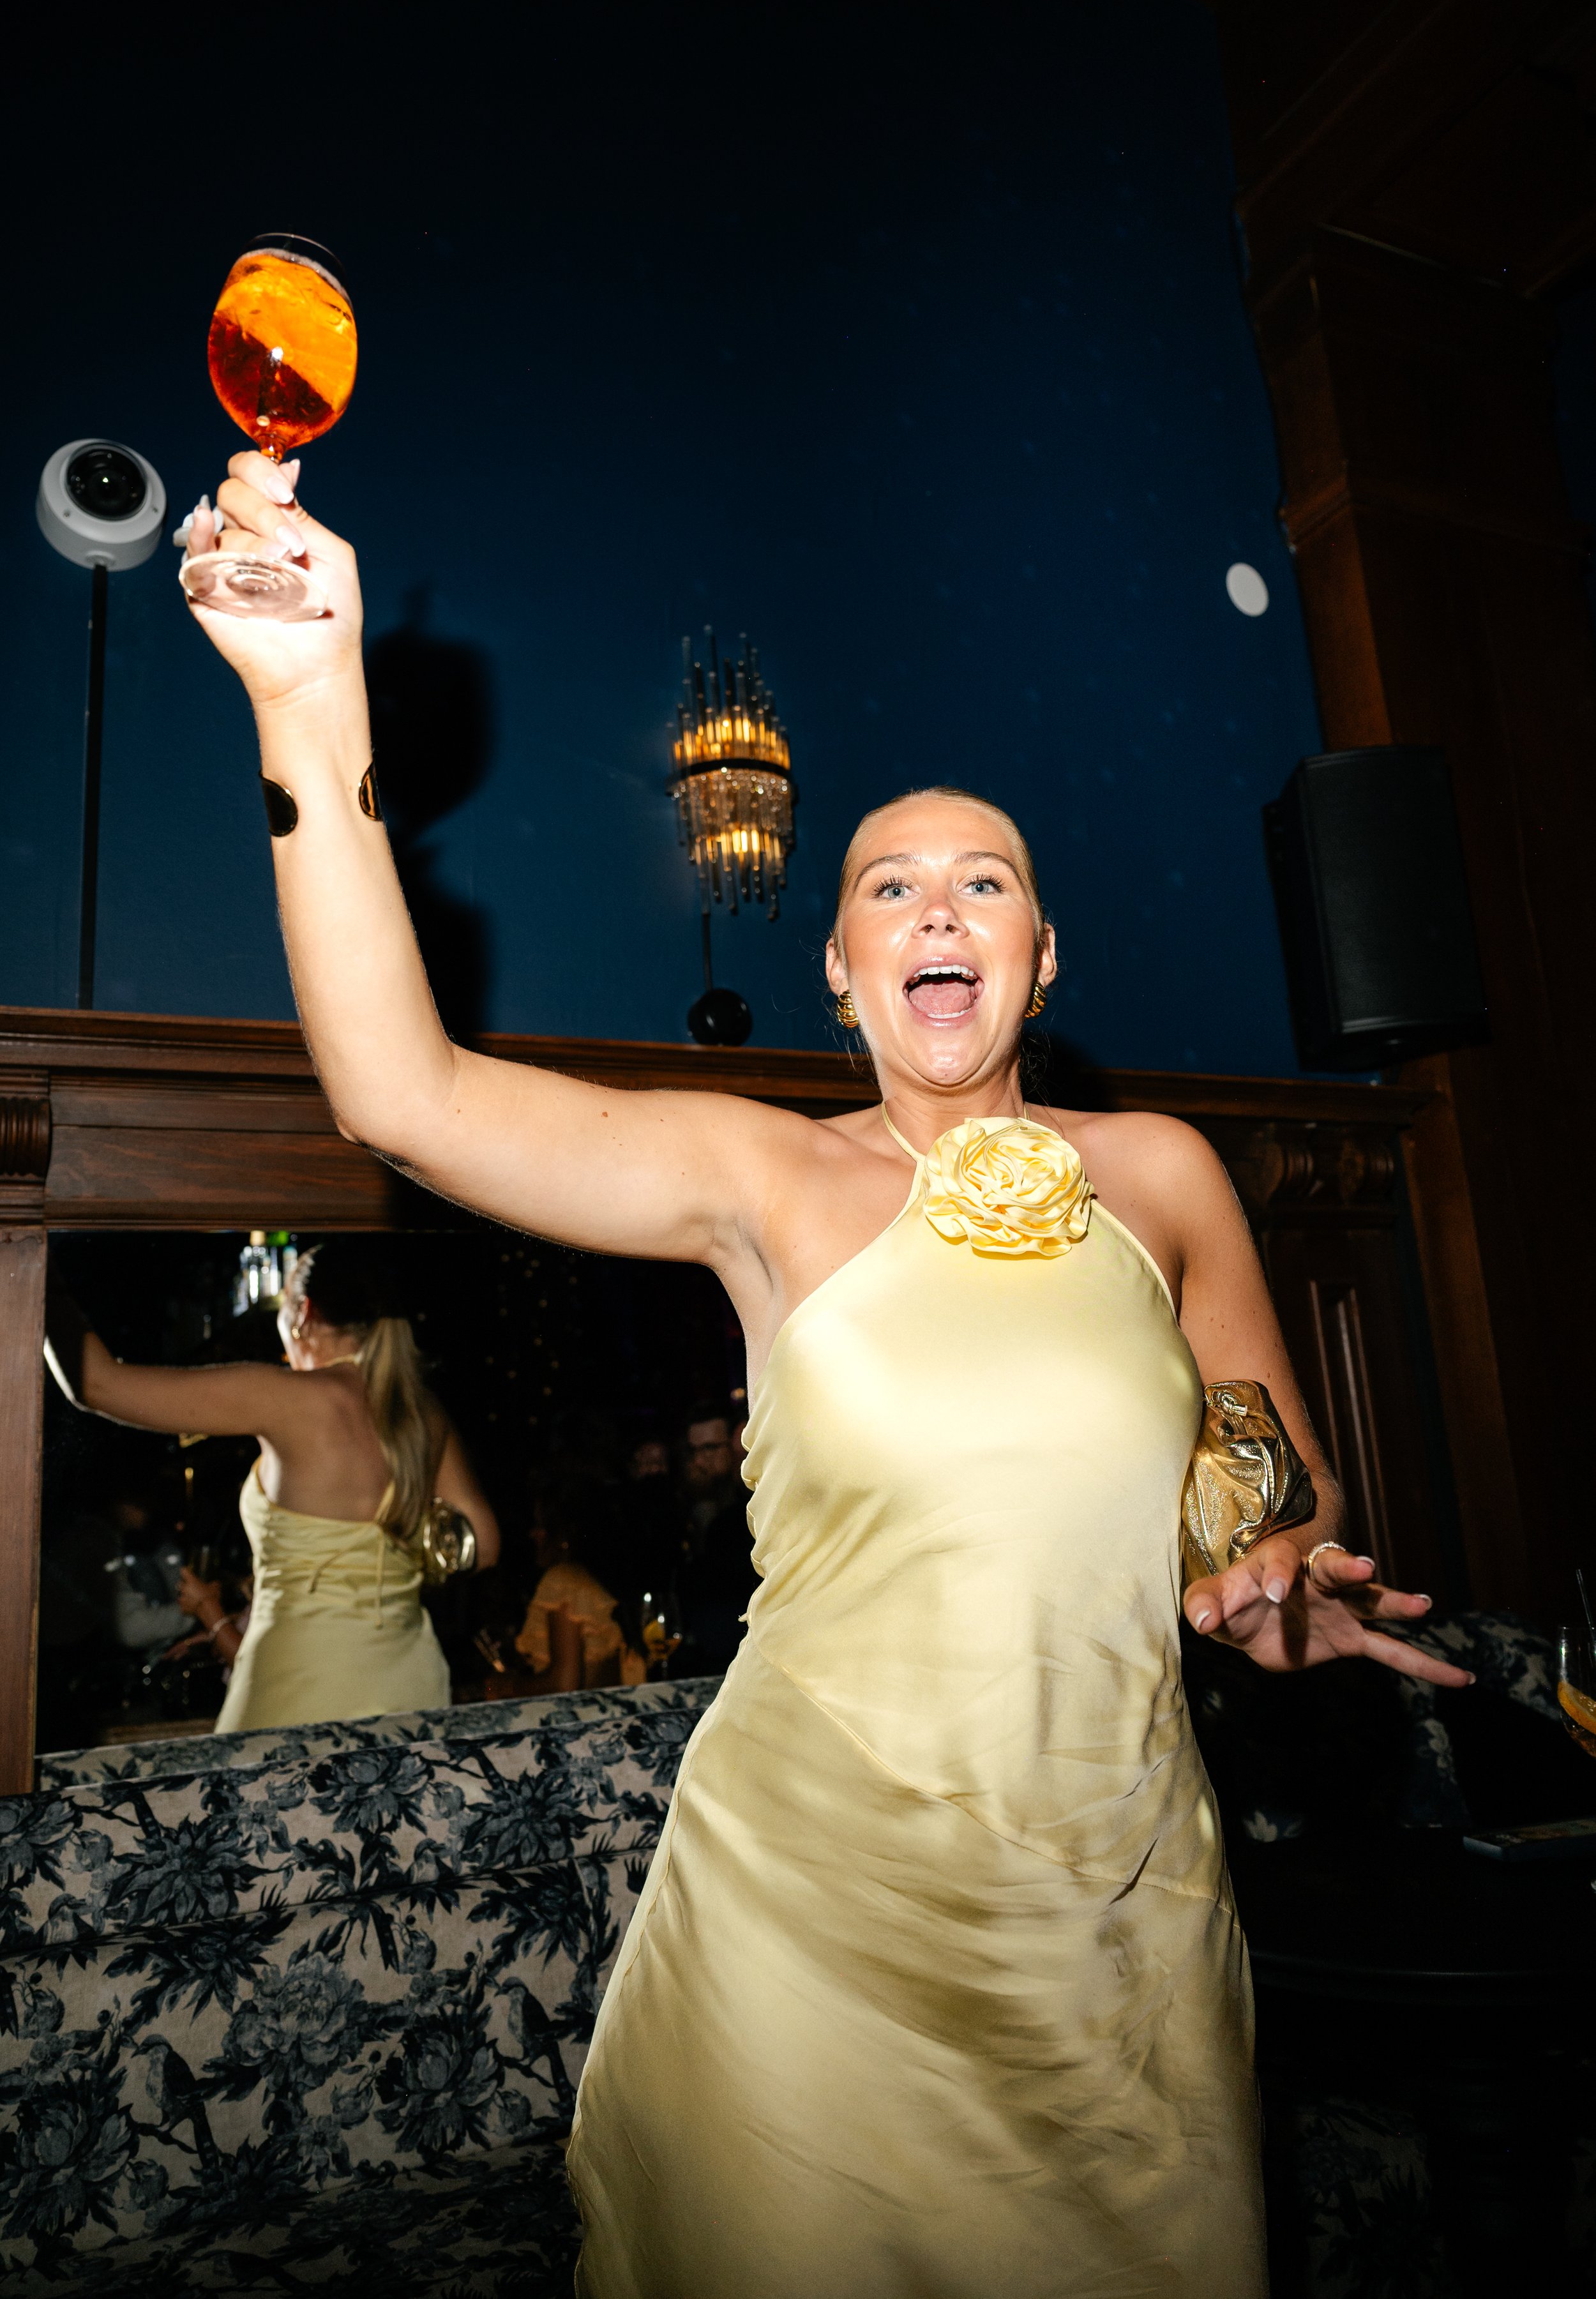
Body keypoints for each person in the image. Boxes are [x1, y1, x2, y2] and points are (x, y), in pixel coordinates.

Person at [181, 456, 1469, 2297]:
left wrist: (1269, 1584)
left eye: (983, 880)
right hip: (811, 1915)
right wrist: (311, 707)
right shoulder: (763, 1178)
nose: (937, 905)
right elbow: (407, 1098)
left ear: (1038, 953)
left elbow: (1262, 1477)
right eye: (889, 885)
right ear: (845, 976)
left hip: (1114, 1924)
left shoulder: (1165, 1176)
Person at [45, 1241, 500, 1734]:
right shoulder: (422, 1412)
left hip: (301, 1678)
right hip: (410, 1678)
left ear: (304, 1313)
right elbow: (485, 1544)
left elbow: (97, 1384)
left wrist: (39, 1274)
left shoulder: (286, 1397)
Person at [515, 1472, 647, 1689]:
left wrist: (505, 1689)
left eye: (540, 1525)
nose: (533, 1534)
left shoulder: (564, 1582)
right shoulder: (597, 1582)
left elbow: (565, 1683)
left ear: (564, 1534)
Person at [675, 1400, 758, 1675]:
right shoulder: (684, 1504)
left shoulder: (753, 1507)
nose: (700, 1461)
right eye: (693, 1451)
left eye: (710, 1448)